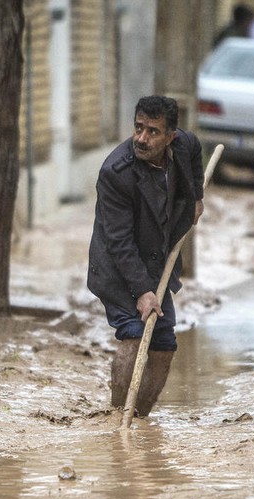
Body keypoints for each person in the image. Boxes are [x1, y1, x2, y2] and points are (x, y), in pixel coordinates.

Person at [87, 96, 205, 417]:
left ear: (170, 137)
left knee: (164, 343)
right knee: (134, 335)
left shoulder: (183, 146)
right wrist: (142, 292)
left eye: (153, 131)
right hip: (116, 267)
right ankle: (117, 416)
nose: (141, 138)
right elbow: (119, 241)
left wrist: (196, 196)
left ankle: (140, 417)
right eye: (138, 128)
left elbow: (195, 153)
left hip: (156, 263)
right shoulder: (116, 172)